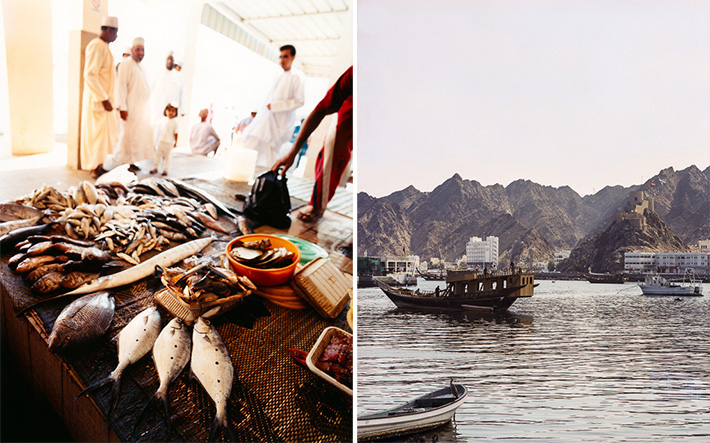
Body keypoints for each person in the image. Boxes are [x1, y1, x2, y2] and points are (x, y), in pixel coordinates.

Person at [271, 66, 353, 222]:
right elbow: (321, 109)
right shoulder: (356, 73)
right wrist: (293, 152)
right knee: (333, 144)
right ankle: (317, 205)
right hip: (354, 109)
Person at [242, 44, 305, 167]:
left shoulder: (297, 77)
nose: (282, 60)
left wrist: (276, 106)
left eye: (285, 57)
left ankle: (269, 180)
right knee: (252, 143)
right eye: (280, 57)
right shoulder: (278, 75)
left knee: (270, 153)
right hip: (266, 118)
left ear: (293, 57)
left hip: (280, 123)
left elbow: (299, 101)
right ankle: (243, 170)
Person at [80, 16, 120, 179]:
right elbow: (90, 74)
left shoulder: (104, 47)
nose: (116, 36)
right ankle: (94, 168)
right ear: (109, 30)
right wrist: (103, 98)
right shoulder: (96, 46)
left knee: (102, 137)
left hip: (104, 101)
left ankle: (99, 165)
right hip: (98, 101)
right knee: (95, 136)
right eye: (116, 32)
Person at [106, 37, 154, 173]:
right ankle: (125, 164)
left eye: (142, 50)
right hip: (129, 109)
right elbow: (121, 87)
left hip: (141, 111)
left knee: (137, 137)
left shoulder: (142, 67)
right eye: (138, 49)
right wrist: (123, 108)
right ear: (132, 50)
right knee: (127, 136)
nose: (140, 52)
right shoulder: (126, 64)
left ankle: (132, 162)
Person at [152, 51, 186, 120]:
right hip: (159, 107)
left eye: (172, 60)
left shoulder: (179, 76)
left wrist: (183, 110)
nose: (170, 61)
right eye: (168, 59)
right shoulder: (159, 74)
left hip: (172, 109)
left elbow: (183, 93)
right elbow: (152, 90)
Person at [151, 103, 179, 176]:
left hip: (169, 143)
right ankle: (156, 168)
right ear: (165, 111)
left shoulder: (175, 123)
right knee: (158, 156)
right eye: (169, 110)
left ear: (176, 113)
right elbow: (155, 126)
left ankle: (166, 170)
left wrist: (176, 142)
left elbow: (176, 133)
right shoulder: (162, 120)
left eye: (173, 111)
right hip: (161, 141)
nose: (171, 112)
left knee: (168, 157)